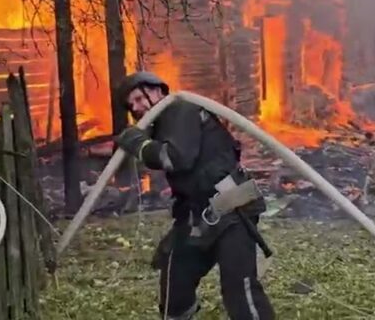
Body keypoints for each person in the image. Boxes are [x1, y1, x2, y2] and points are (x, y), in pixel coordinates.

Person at [114, 71, 276, 320]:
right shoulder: (164, 122)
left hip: (232, 211)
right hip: (198, 215)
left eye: (139, 99)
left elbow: (177, 157)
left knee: (239, 288)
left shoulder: (181, 109)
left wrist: (139, 145)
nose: (136, 108)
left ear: (157, 90)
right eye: (131, 105)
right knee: (175, 274)